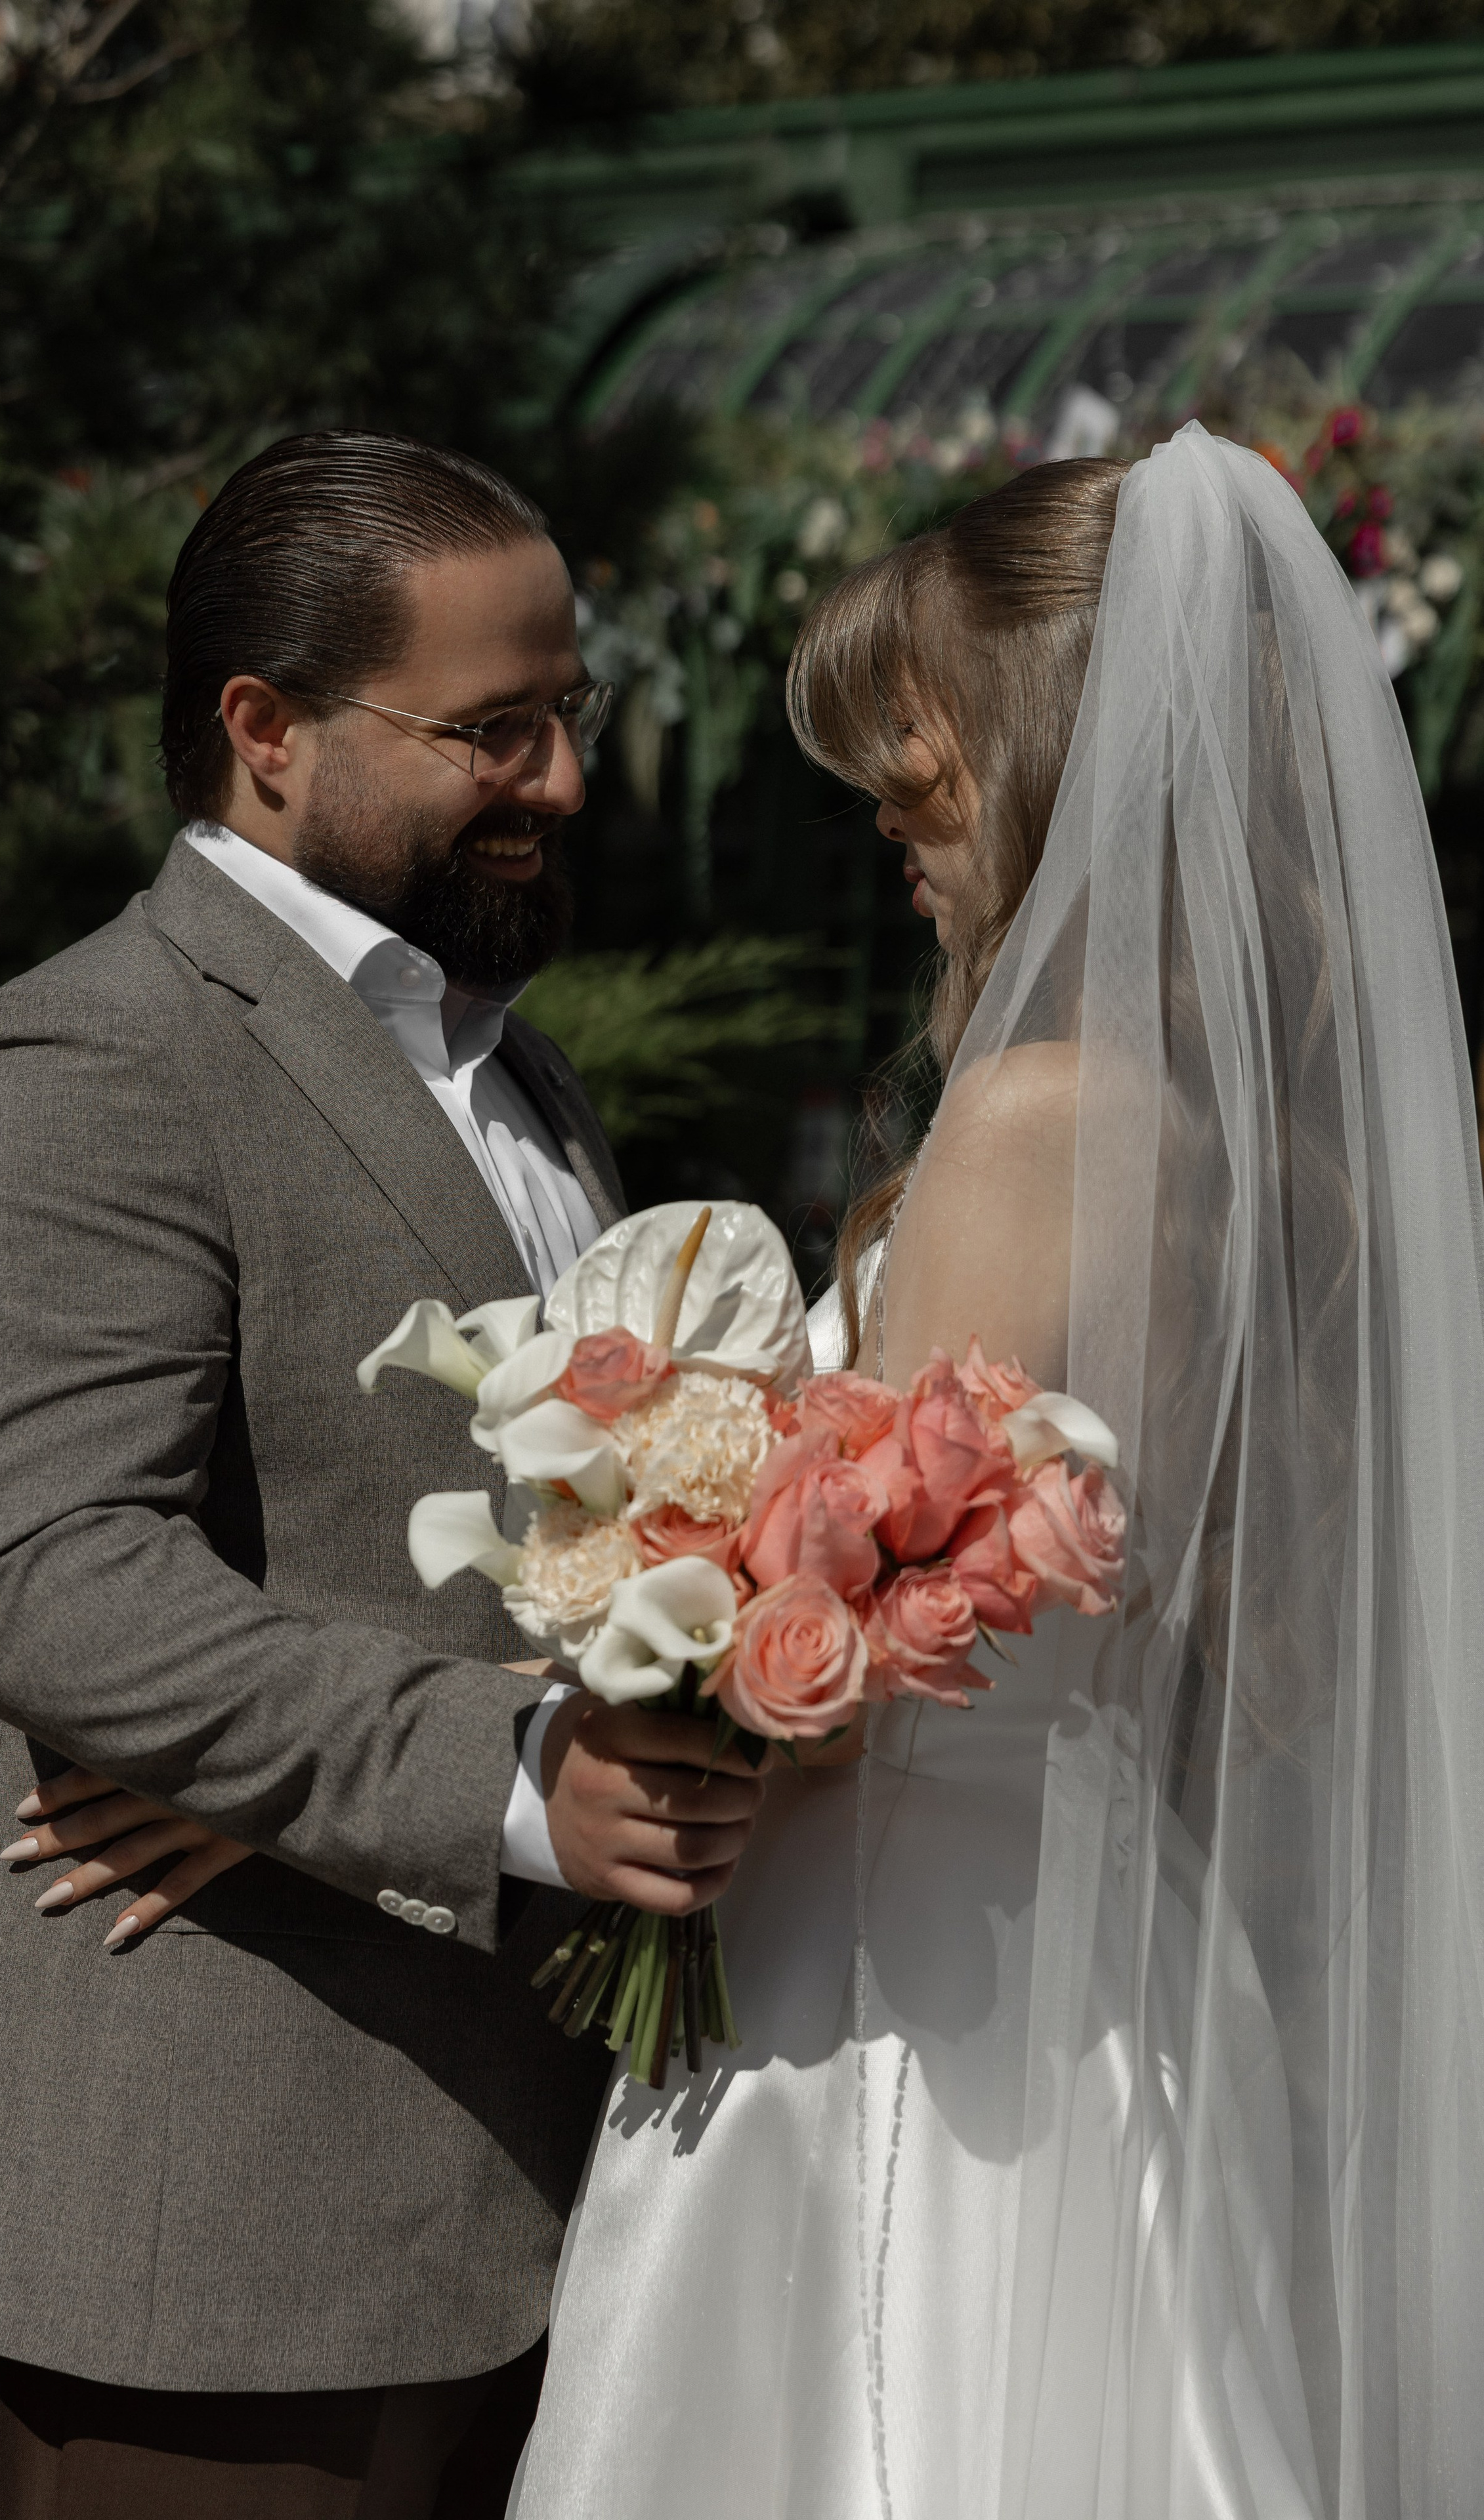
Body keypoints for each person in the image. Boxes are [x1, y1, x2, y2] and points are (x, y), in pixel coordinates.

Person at [509, 427, 1484, 2515]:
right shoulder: (1223, 1119)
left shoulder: (1039, 1108)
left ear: (1047, 753)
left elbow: (857, 1635)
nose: (888, 826)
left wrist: (634, 1622)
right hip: (1090, 1927)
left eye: (917, 767)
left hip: (909, 1963)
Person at [0, 431, 769, 2519]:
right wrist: (513, 1777)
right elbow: (46, 1584)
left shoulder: (518, 1072)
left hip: (559, 2199)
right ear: (266, 733)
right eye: (495, 727)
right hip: (224, 2228)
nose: (559, 776)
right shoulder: (84, 1051)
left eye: (575, 714)